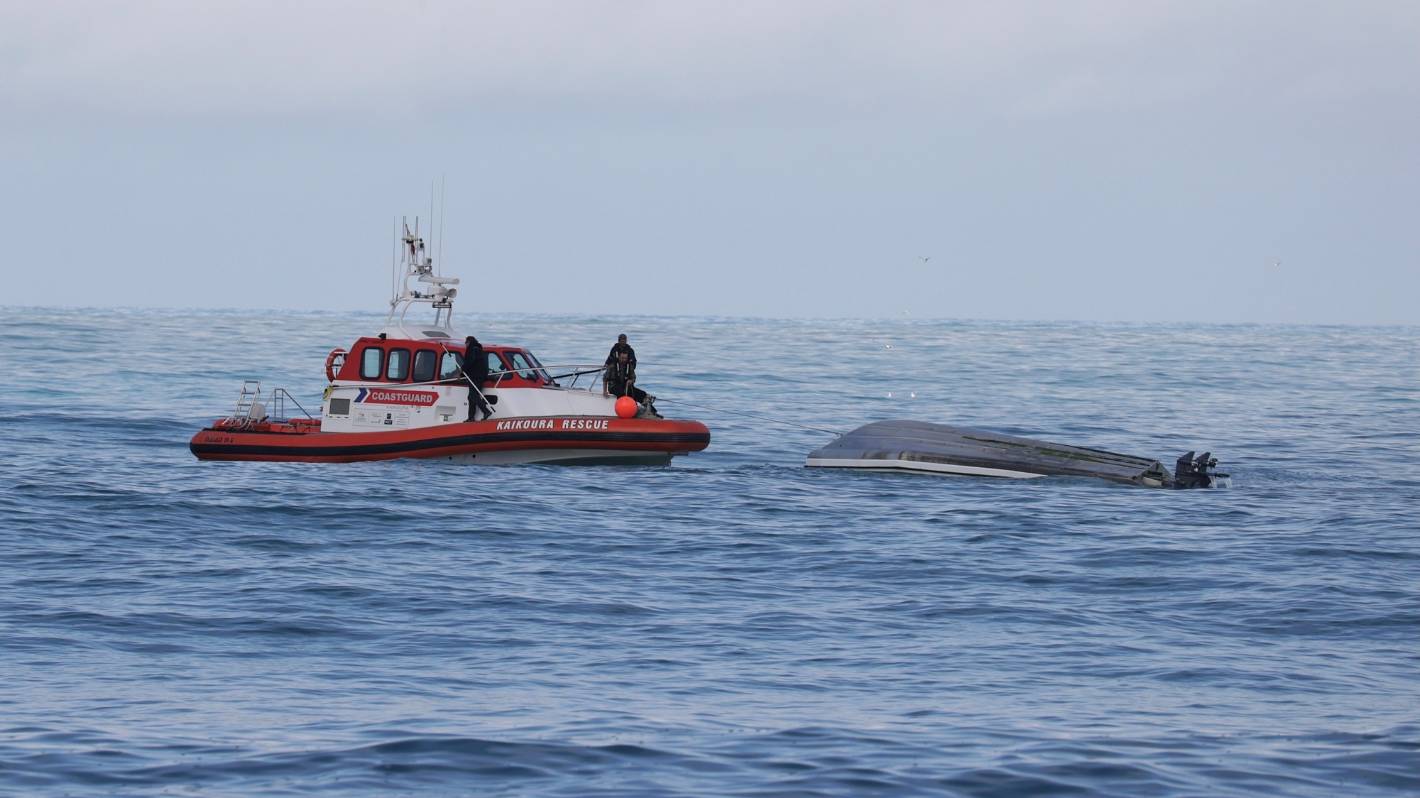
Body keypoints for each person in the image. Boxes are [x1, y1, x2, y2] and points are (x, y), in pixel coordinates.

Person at [603, 349, 658, 417]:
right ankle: (630, 410)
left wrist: (631, 381)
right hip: (614, 386)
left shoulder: (629, 366)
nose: (624, 360)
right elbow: (605, 379)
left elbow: (633, 377)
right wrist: (605, 391)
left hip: (626, 386)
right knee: (622, 393)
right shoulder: (612, 366)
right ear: (619, 357)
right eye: (622, 358)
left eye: (625, 358)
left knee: (641, 393)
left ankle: (653, 412)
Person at [462, 335, 493, 421]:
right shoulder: (479, 350)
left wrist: (462, 370)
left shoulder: (472, 350)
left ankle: (486, 411)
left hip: (475, 376)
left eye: (466, 342)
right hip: (480, 376)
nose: (465, 344)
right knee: (471, 396)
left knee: (473, 395)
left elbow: (470, 362)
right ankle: (471, 417)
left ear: (469, 342)